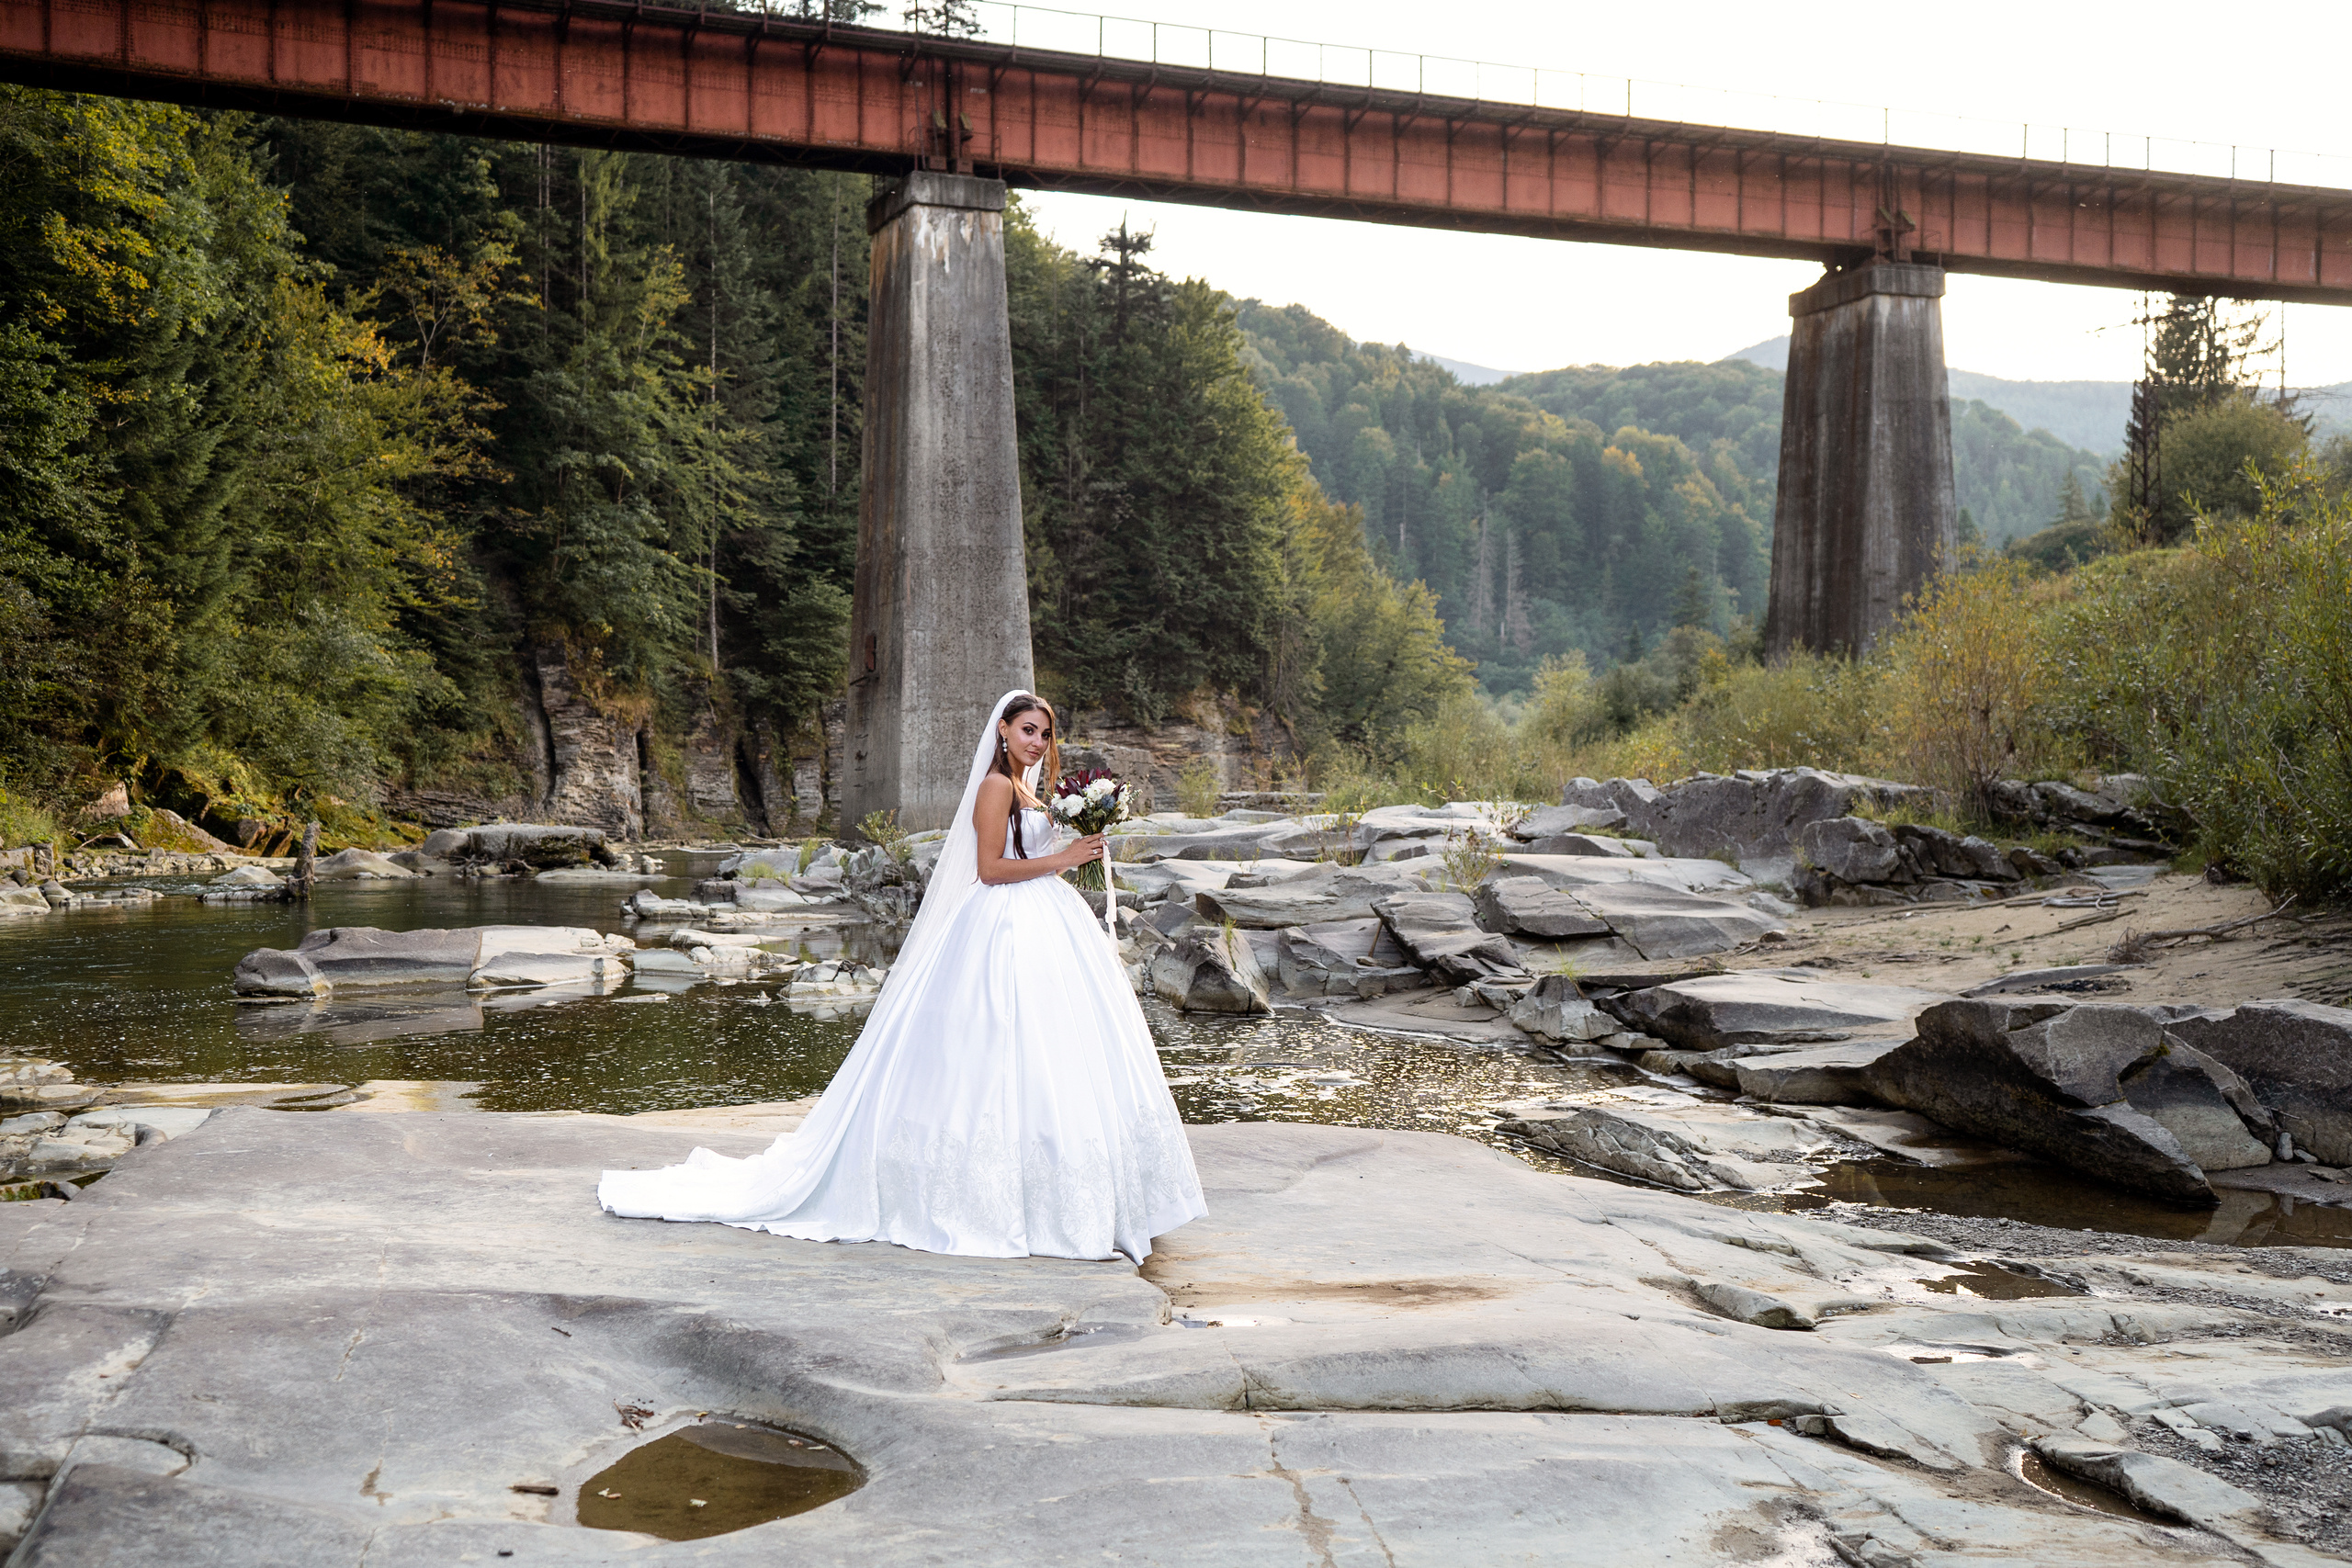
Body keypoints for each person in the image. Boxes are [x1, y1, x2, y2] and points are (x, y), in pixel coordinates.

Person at [597, 689, 1205, 1262]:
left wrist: (1079, 855)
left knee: (1060, 1049)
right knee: (995, 1047)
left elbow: (1031, 862)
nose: (1038, 741)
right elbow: (992, 869)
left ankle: (1076, 1188)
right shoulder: (996, 786)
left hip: (1047, 920)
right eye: (1028, 730)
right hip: (1001, 925)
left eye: (1045, 733)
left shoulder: (1031, 791)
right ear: (1003, 729)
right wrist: (1063, 858)